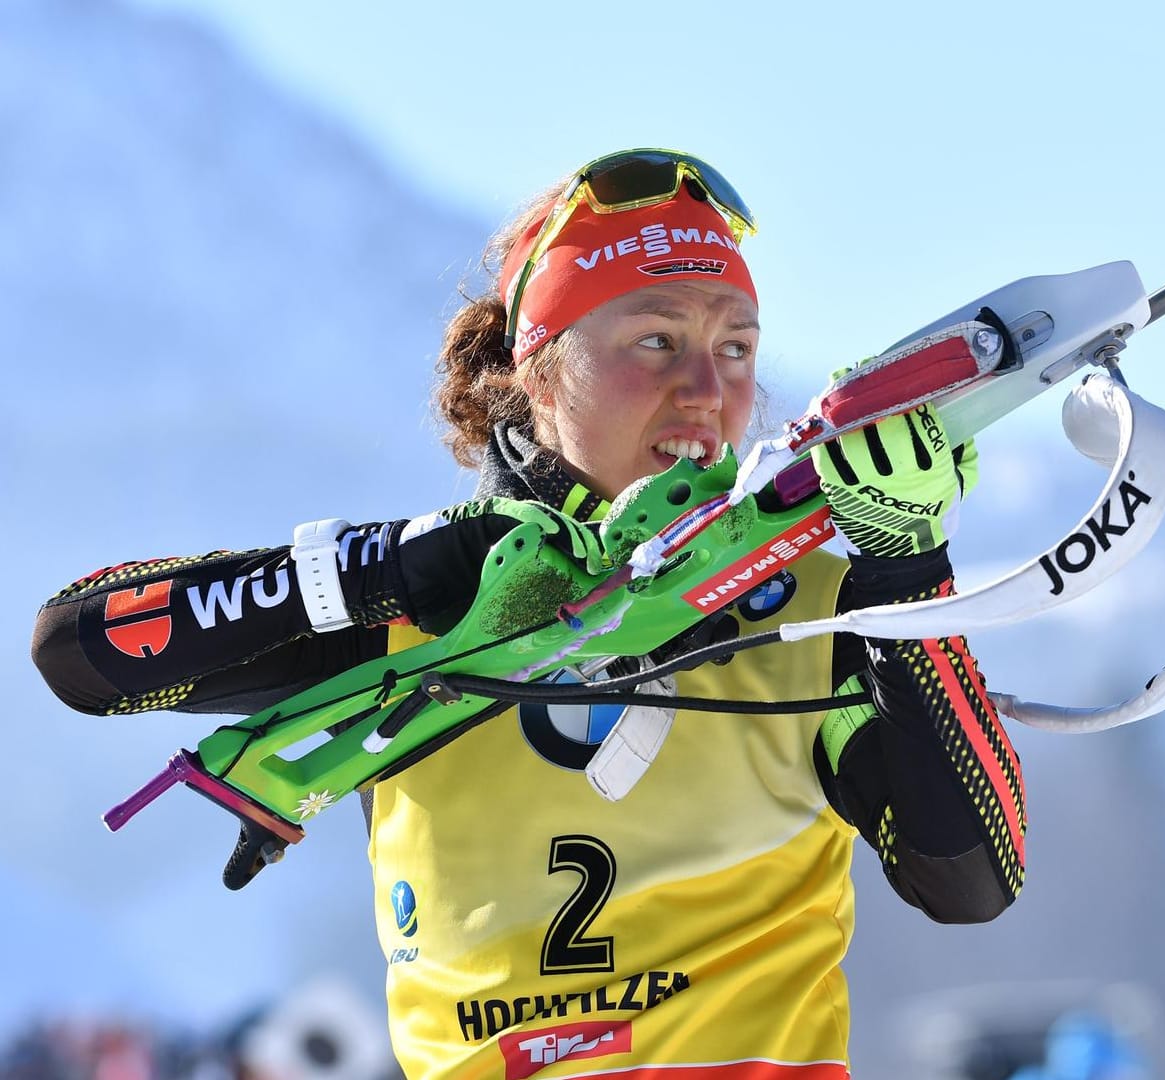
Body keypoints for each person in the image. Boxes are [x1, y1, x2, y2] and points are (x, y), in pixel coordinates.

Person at [32, 149, 1026, 1079]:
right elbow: (81, 647)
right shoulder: (431, 598)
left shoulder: (814, 606)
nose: (705, 390)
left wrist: (906, 570)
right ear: (538, 366)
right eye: (656, 338)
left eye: (737, 346)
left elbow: (970, 879)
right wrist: (387, 567)